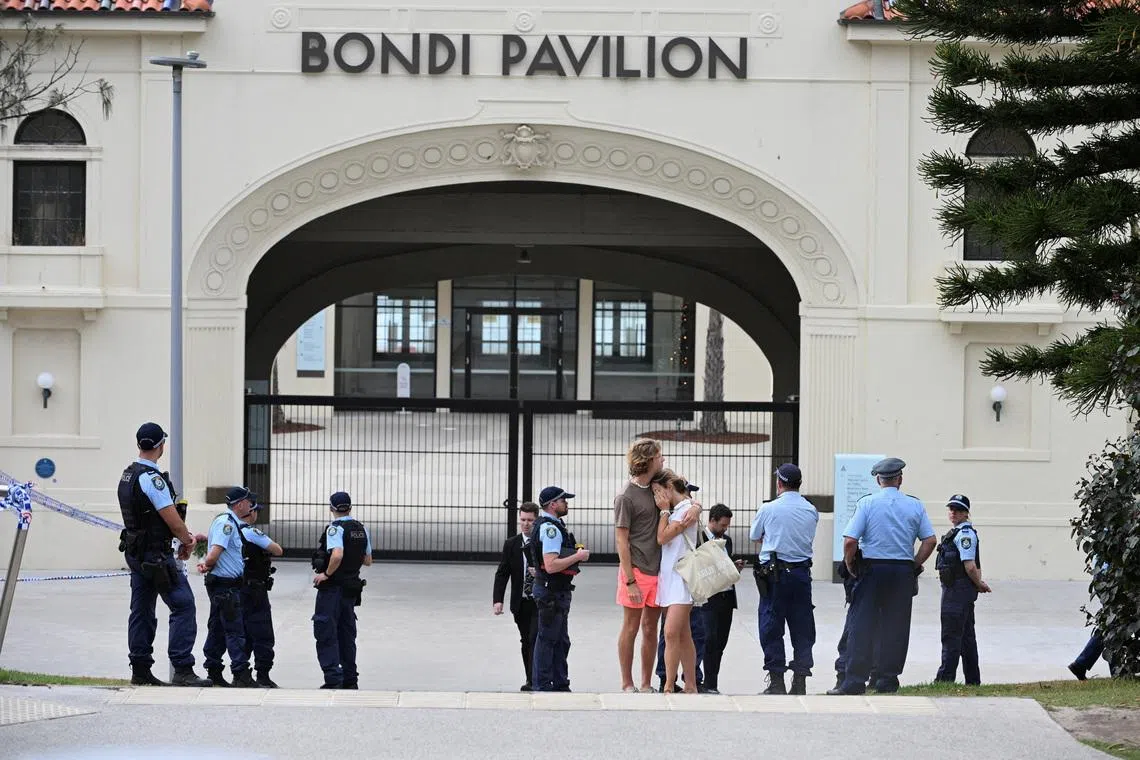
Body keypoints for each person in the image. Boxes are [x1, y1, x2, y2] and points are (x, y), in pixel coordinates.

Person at [828, 457, 936, 695]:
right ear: (900, 479)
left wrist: (851, 566)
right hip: (901, 571)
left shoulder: (867, 504)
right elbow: (930, 540)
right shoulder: (915, 505)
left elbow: (850, 541)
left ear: (878, 479)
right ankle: (887, 681)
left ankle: (854, 682)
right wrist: (914, 564)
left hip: (872, 570)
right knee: (896, 628)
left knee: (861, 626)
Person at [116, 421, 211, 687]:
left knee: (142, 611)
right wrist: (187, 540)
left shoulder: (128, 475)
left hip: (137, 552)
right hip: (156, 556)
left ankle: (141, 670)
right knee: (183, 604)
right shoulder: (152, 479)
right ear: (161, 446)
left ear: (139, 445)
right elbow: (171, 518)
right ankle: (182, 668)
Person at [750, 463, 819, 695]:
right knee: (802, 627)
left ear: (779, 483)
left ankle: (776, 680)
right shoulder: (811, 509)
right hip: (801, 575)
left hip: (775, 575)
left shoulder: (769, 509)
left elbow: (755, 536)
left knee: (771, 625)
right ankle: (800, 680)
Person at [615, 438, 671, 693]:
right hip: (636, 571)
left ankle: (646, 683)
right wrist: (630, 580)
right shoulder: (627, 496)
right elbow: (621, 540)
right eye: (660, 456)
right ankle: (627, 682)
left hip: (658, 570)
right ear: (648, 460)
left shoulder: (659, 487)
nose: (663, 460)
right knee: (631, 626)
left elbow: (686, 493)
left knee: (651, 628)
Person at [198, 486, 259, 688]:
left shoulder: (226, 521)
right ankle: (241, 673)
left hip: (221, 585)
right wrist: (207, 563)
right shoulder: (227, 524)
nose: (251, 507)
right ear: (240, 504)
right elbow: (215, 552)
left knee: (217, 628)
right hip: (226, 586)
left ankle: (214, 670)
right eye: (249, 503)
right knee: (235, 630)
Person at [529, 486, 589, 692]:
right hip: (552, 592)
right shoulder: (551, 529)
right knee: (548, 640)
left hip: (554, 591)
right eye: (563, 500)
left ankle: (559, 682)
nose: (566, 503)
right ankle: (544, 685)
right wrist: (578, 557)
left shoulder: (552, 525)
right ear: (553, 504)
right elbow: (552, 564)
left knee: (560, 640)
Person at [312, 491, 372, 689]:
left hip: (332, 589)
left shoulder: (335, 529)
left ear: (331, 508)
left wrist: (326, 574)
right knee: (347, 635)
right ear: (350, 507)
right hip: (350, 588)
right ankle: (349, 679)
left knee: (326, 632)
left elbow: (337, 555)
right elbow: (367, 560)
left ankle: (333, 679)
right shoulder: (361, 529)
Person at [934, 494, 991, 685]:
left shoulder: (964, 535)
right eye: (951, 509)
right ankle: (973, 681)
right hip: (959, 591)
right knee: (966, 638)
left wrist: (978, 583)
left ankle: (945, 679)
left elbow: (970, 565)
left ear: (966, 513)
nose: (953, 513)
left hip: (957, 592)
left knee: (951, 635)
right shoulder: (957, 532)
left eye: (958, 510)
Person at [654, 472, 702, 694]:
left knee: (671, 632)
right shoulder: (685, 508)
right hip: (670, 578)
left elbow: (663, 537)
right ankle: (690, 684)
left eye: (658, 490)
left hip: (681, 579)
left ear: (669, 488)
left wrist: (664, 511)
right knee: (682, 634)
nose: (657, 496)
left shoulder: (684, 511)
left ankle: (669, 684)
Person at [695, 503, 743, 694]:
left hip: (727, 597)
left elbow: (724, 564)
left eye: (726, 526)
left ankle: (712, 683)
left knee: (720, 642)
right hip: (709, 597)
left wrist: (734, 567)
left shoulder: (727, 541)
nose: (724, 530)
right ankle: (703, 681)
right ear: (712, 520)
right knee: (708, 640)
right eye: (722, 525)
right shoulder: (700, 539)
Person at [493, 501, 540, 691]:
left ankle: (537, 679)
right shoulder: (511, 544)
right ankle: (530, 678)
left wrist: (540, 572)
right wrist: (498, 600)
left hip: (539, 600)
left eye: (530, 520)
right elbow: (502, 573)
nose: (526, 524)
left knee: (535, 637)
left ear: (537, 521)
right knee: (526, 640)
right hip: (520, 601)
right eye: (523, 520)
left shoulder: (542, 542)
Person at [238, 498, 284, 688]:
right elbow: (277, 550)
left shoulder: (230, 529)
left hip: (238, 587)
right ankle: (263, 675)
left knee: (242, 631)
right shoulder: (251, 532)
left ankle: (240, 673)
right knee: (262, 631)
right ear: (252, 513)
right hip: (255, 589)